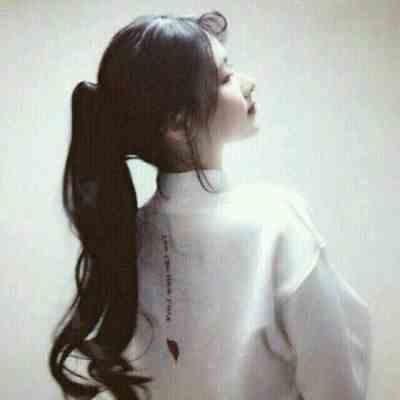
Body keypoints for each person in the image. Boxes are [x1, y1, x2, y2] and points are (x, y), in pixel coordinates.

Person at [48, 10, 372, 400]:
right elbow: (339, 387)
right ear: (177, 122)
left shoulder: (125, 240)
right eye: (225, 77)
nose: (248, 83)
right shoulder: (274, 221)